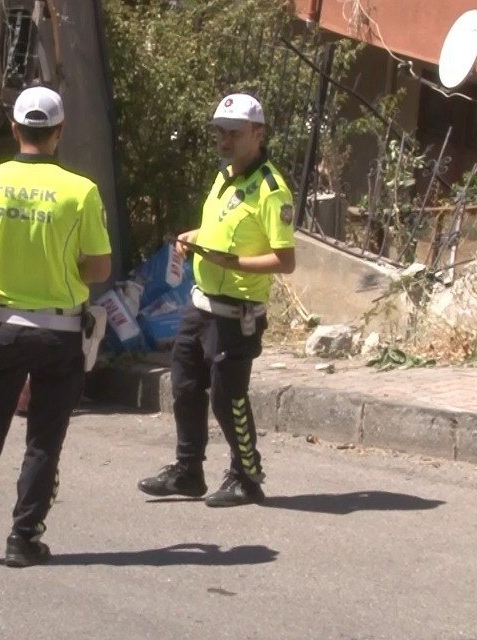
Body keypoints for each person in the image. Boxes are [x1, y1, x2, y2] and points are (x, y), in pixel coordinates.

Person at [0, 86, 113, 567]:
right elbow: (99, 269)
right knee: (44, 440)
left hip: (4, 330)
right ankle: (22, 539)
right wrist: (58, 275)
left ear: (15, 130)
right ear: (58, 132)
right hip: (59, 335)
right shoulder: (81, 191)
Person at [137, 92, 296, 508]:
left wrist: (236, 262)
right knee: (184, 387)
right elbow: (219, 228)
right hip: (201, 305)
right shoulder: (225, 176)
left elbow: (286, 260)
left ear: (258, 134)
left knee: (228, 399)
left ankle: (247, 475)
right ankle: (188, 471)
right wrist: (194, 237)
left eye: (234, 134)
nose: (224, 141)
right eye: (219, 133)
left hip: (236, 313)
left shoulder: (271, 189)